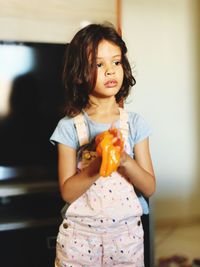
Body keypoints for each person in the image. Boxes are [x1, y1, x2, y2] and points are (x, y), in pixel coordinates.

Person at [50, 23, 156, 267]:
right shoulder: (69, 128)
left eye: (116, 62)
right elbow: (67, 191)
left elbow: (149, 187)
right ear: (79, 74)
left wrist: (124, 160)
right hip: (79, 240)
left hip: (126, 240)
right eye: (99, 64)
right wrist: (98, 164)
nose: (110, 71)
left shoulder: (135, 124)